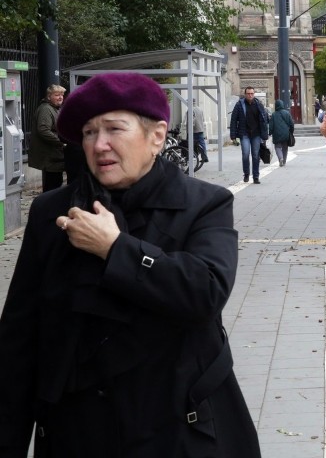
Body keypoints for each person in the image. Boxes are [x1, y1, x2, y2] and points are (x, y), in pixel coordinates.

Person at [0, 72, 260, 457]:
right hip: (78, 434)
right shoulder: (51, 212)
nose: (99, 144)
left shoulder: (204, 203)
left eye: (113, 129)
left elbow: (205, 292)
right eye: (88, 132)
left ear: (156, 136)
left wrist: (115, 249)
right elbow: (19, 341)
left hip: (177, 432)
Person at [29, 84, 66, 193]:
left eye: (62, 95)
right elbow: (44, 130)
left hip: (54, 156)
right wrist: (61, 142)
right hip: (50, 157)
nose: (60, 97)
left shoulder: (54, 108)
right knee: (52, 188)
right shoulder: (46, 109)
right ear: (49, 96)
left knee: (55, 185)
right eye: (57, 95)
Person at [229, 86, 269, 184]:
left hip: (256, 134)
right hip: (244, 134)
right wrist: (233, 135)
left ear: (254, 94)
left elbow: (264, 120)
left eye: (252, 93)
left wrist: (265, 134)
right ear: (245, 94)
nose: (250, 95)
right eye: (248, 94)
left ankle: (256, 177)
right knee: (245, 154)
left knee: (255, 155)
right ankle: (246, 174)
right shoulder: (239, 105)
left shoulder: (259, 104)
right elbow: (233, 120)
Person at [270, 98, 295, 167]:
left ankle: (280, 158)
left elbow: (271, 126)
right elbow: (291, 124)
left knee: (277, 147)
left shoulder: (274, 115)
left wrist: (270, 133)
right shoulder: (287, 113)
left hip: (276, 134)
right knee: (285, 148)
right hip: (286, 134)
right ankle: (284, 161)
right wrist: (291, 132)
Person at [185, 98, 208, 163]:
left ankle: (190, 157)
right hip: (200, 129)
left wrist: (189, 130)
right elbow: (203, 119)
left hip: (193, 130)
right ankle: (205, 157)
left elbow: (191, 121)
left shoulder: (190, 110)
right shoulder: (200, 109)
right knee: (202, 144)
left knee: (190, 144)